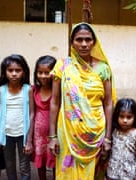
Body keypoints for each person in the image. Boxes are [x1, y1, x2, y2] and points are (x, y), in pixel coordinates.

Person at [48, 22, 117, 180]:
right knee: (67, 170)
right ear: (72, 42)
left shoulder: (103, 69)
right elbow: (55, 102)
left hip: (95, 131)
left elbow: (108, 103)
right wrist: (52, 137)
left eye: (88, 39)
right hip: (68, 129)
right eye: (79, 40)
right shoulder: (62, 67)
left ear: (94, 42)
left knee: (92, 171)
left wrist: (108, 137)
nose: (84, 44)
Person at [0, 54, 34, 180]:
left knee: (24, 166)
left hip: (23, 134)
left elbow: (32, 113)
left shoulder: (28, 90)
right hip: (6, 134)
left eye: (18, 70)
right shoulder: (0, 91)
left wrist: (29, 141)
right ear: (5, 72)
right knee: (9, 165)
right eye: (10, 70)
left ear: (24, 72)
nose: (14, 74)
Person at [107, 98, 136, 180]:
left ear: (135, 117)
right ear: (116, 116)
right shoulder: (114, 131)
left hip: (128, 173)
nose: (125, 120)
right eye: (121, 116)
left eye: (129, 117)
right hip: (112, 171)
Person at [32, 55, 57, 180]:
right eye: (40, 72)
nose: (43, 76)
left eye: (47, 73)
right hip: (38, 135)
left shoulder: (58, 91)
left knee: (55, 160)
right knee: (40, 160)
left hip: (54, 132)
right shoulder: (34, 90)